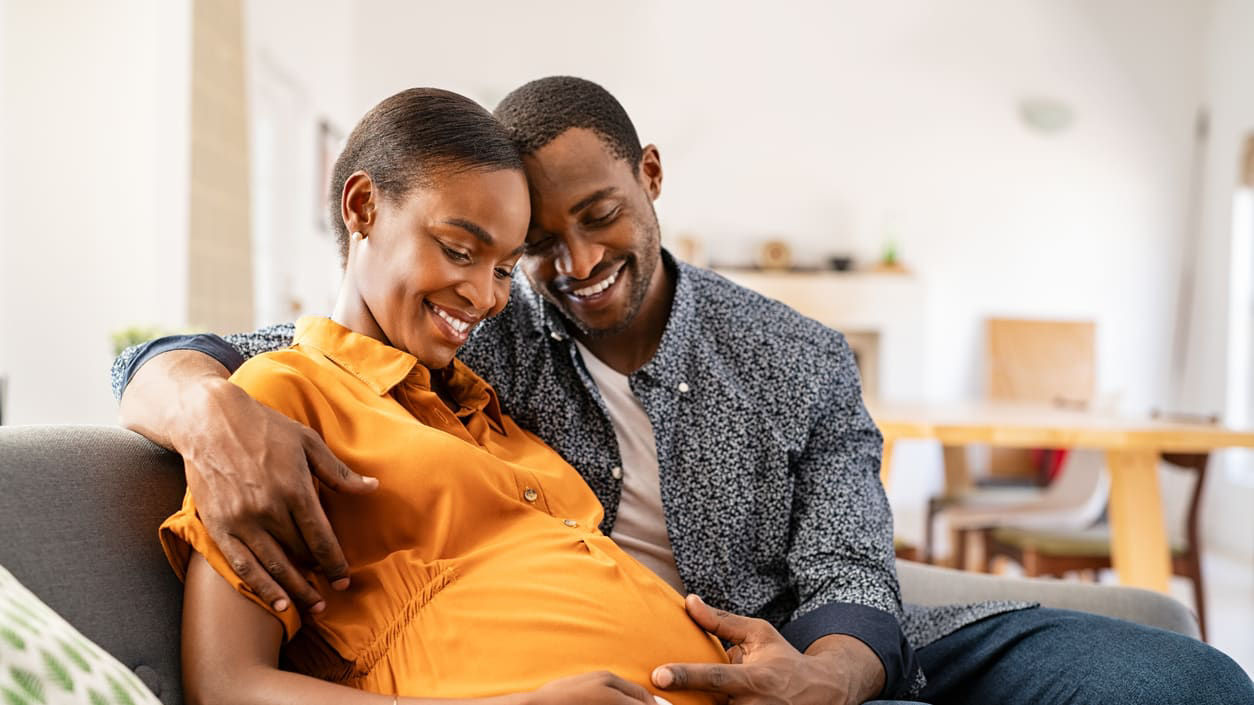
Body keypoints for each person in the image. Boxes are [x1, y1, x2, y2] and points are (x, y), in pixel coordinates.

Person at [114, 77, 1254, 704]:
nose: (564, 270)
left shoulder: (795, 356)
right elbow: (260, 354)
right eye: (525, 246)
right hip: (646, 674)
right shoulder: (475, 338)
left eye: (596, 217)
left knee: (1185, 681)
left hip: (826, 656)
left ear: (650, 177)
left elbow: (853, 566)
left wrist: (826, 677)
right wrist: (201, 405)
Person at [163, 86, 729, 705]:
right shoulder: (279, 398)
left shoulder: (485, 410)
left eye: (507, 268)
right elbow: (225, 686)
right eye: (459, 250)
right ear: (363, 207)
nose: (486, 297)